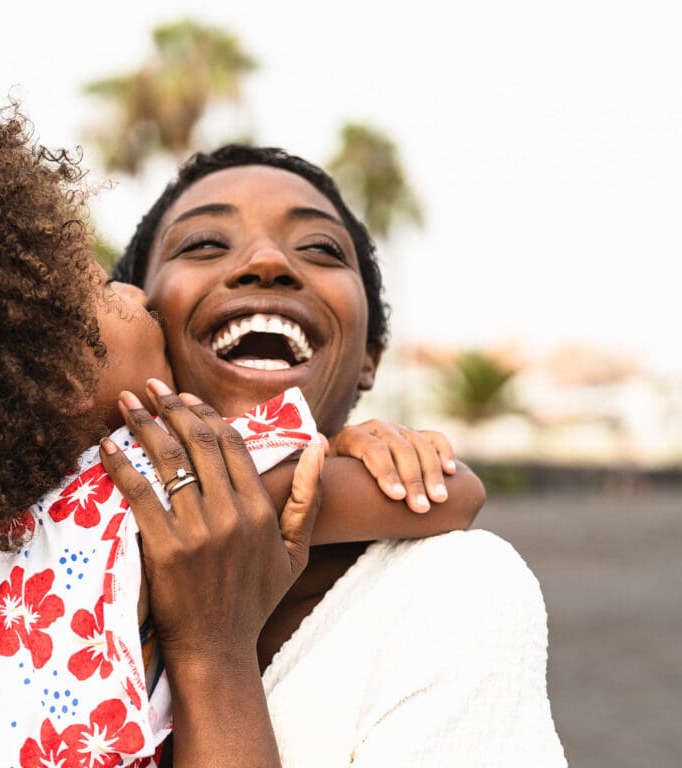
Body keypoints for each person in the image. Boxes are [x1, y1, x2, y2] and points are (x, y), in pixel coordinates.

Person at [0, 102, 483, 767]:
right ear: (60, 379)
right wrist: (345, 449)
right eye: (98, 291)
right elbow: (447, 493)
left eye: (320, 248)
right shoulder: (145, 482)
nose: (131, 298)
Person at [111, 144, 568, 765]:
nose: (267, 261)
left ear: (370, 357)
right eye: (204, 244)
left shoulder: (450, 592)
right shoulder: (8, 537)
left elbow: (454, 490)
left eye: (321, 249)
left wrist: (212, 652)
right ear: (140, 317)